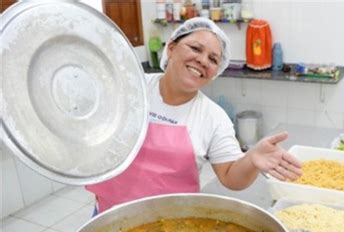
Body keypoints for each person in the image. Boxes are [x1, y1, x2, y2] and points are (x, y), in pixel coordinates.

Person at [86, 18, 302, 214]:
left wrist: (251, 159)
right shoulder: (131, 87)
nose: (203, 61)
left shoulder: (213, 117)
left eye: (213, 59)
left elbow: (230, 176)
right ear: (171, 48)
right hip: (108, 216)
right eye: (195, 48)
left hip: (175, 225)